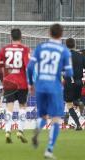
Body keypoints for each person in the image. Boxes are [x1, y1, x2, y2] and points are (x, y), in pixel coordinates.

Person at [27, 24, 73, 159]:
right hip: (55, 86)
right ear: (61, 34)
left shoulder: (40, 47)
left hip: (40, 85)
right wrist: (62, 73)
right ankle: (49, 149)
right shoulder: (64, 51)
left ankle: (38, 128)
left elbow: (30, 67)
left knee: (42, 116)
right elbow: (69, 72)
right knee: (56, 118)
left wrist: (31, 83)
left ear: (49, 33)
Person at [0, 28, 30, 143]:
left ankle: (7, 131)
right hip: (21, 83)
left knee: (9, 107)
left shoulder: (4, 49)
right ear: (21, 37)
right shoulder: (25, 49)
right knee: (22, 107)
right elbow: (28, 66)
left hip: (9, 82)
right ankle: (20, 130)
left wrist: (4, 64)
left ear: (11, 37)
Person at [63, 38, 84, 131]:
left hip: (69, 83)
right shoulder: (81, 56)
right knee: (76, 99)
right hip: (79, 83)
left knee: (69, 104)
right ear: (74, 45)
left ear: (66, 45)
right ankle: (79, 102)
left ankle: (78, 124)